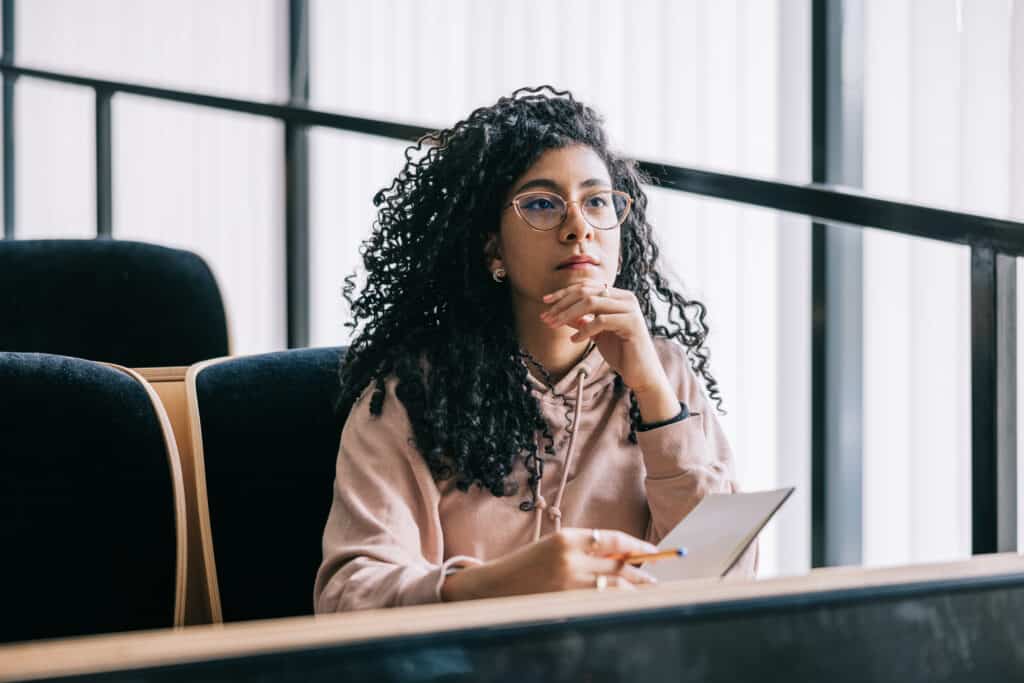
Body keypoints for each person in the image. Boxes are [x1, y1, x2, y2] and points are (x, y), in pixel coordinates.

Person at [314, 86, 755, 613]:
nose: (579, 228)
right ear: (492, 246)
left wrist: (655, 399)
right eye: (542, 204)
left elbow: (727, 583)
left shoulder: (665, 375)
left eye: (596, 201)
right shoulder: (414, 392)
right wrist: (502, 581)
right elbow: (346, 597)